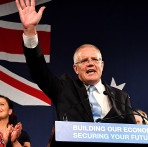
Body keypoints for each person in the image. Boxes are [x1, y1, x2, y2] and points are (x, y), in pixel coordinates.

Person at [15, 0, 136, 145]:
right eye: (84, 60)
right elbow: (38, 70)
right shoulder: (64, 89)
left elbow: (132, 136)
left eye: (95, 59)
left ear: (102, 65)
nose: (90, 63)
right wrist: (30, 31)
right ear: (75, 68)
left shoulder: (121, 97)